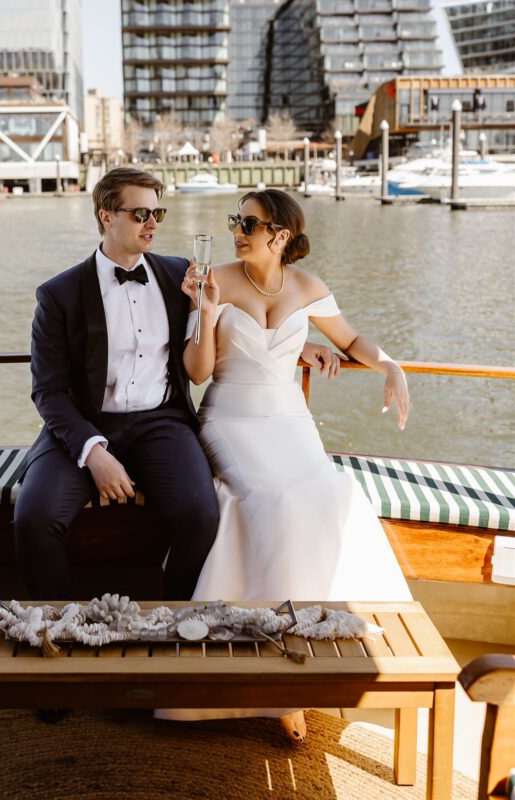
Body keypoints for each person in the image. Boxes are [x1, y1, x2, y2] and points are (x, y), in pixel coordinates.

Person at [14, 169, 337, 606]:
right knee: (33, 516)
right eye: (140, 213)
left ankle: (176, 615)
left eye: (158, 213)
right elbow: (48, 392)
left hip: (160, 424)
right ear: (106, 216)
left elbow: (228, 324)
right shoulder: (59, 294)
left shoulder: (180, 275)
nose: (152, 223)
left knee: (201, 515)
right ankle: (56, 620)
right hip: (84, 426)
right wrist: (93, 452)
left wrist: (299, 343)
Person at [160, 188, 412, 740]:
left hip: (290, 421)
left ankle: (320, 658)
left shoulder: (309, 287)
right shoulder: (214, 279)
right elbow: (198, 373)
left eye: (249, 223)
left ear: (280, 236)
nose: (237, 230)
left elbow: (349, 339)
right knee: (272, 499)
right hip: (230, 419)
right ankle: (273, 674)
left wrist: (389, 363)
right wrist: (203, 312)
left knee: (331, 495)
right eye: (236, 220)